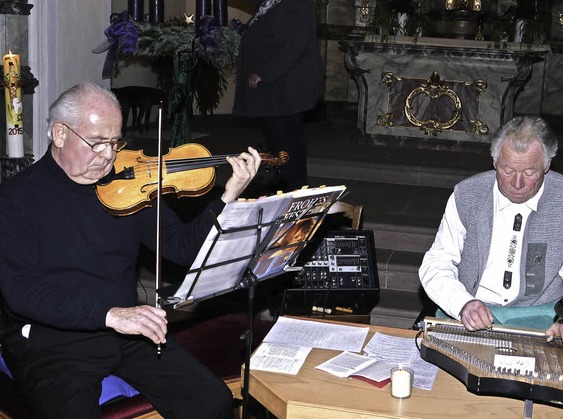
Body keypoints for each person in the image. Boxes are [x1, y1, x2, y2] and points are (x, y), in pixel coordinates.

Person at [0, 82, 262, 418]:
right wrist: (111, 315)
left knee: (213, 401)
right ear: (60, 134)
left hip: (126, 333)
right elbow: (22, 293)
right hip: (53, 343)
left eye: (115, 142)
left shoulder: (129, 186)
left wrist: (227, 197)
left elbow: (182, 248)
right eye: (96, 143)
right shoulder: (16, 199)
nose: (108, 155)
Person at [419, 116, 563, 357]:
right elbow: (436, 263)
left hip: (542, 317)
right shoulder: (467, 195)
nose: (517, 183)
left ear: (547, 165)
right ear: (495, 161)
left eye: (529, 171)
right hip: (473, 312)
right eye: (507, 170)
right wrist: (462, 303)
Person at [233, 0, 324, 192]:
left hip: (288, 91)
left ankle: (293, 189)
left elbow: (294, 46)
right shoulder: (273, 5)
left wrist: (265, 73)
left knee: (288, 143)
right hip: (278, 92)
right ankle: (286, 186)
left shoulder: (293, 6)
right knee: (280, 141)